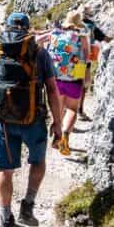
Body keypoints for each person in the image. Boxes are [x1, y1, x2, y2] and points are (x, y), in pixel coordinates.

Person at [0, 12, 63, 227]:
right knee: (38, 161)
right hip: (33, 119)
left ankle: (6, 221)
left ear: (7, 28)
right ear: (28, 30)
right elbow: (52, 89)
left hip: (4, 122)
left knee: (4, 170)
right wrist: (57, 124)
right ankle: (27, 206)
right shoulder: (40, 54)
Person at [42, 10, 91, 156]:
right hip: (74, 78)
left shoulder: (55, 35)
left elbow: (42, 46)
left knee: (59, 108)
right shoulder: (81, 37)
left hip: (55, 77)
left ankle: (56, 133)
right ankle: (65, 135)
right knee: (72, 109)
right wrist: (85, 76)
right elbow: (87, 58)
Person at [78, 5, 112, 120]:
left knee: (74, 83)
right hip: (84, 59)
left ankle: (69, 110)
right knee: (83, 84)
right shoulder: (90, 25)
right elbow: (103, 38)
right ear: (88, 14)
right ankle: (79, 110)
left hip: (72, 59)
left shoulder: (73, 25)